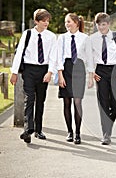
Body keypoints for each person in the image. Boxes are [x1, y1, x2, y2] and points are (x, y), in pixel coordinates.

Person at [10, 9, 57, 143]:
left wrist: (50, 72)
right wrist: (14, 73)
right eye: (43, 21)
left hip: (44, 70)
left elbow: (54, 56)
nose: (46, 23)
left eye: (48, 21)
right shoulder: (28, 34)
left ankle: (38, 130)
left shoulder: (51, 36)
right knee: (29, 98)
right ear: (36, 21)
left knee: (40, 101)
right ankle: (28, 129)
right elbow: (19, 53)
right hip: (29, 70)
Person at [85, 12, 116, 145]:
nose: (101, 27)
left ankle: (109, 125)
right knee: (103, 103)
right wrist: (91, 73)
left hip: (115, 71)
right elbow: (90, 58)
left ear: (109, 24)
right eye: (99, 25)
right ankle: (106, 134)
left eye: (104, 24)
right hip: (100, 71)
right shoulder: (92, 39)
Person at [56, 13, 93, 145]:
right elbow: (58, 57)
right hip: (66, 69)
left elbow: (89, 58)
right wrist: (60, 75)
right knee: (66, 103)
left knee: (77, 102)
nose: (67, 24)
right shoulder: (62, 38)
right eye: (66, 22)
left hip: (79, 69)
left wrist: (90, 77)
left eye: (69, 22)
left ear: (76, 23)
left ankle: (78, 133)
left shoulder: (85, 38)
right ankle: (69, 132)